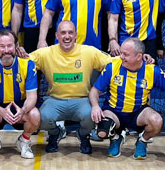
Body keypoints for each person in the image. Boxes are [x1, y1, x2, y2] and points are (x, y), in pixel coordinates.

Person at [24, 20, 113, 154]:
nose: (67, 36)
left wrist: (142, 60)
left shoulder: (89, 52)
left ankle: (83, 135)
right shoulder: (45, 53)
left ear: (76, 35)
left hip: (82, 100)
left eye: (70, 33)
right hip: (54, 100)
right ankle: (55, 133)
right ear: (57, 35)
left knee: (92, 116)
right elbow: (22, 63)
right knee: (40, 117)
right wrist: (16, 53)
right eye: (63, 33)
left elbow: (113, 64)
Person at [89, 38, 165, 159]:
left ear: (139, 56)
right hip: (114, 112)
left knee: (157, 121)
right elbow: (94, 91)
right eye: (121, 53)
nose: (121, 57)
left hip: (138, 113)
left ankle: (142, 141)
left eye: (126, 54)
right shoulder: (112, 67)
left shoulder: (152, 70)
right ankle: (115, 138)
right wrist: (95, 106)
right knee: (102, 129)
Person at [0, 29, 40, 159]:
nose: (6, 50)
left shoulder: (28, 64)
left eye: (9, 46)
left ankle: (24, 141)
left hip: (20, 106)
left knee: (35, 115)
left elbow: (32, 97)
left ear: (16, 46)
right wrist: (2, 111)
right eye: (2, 46)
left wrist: (22, 111)